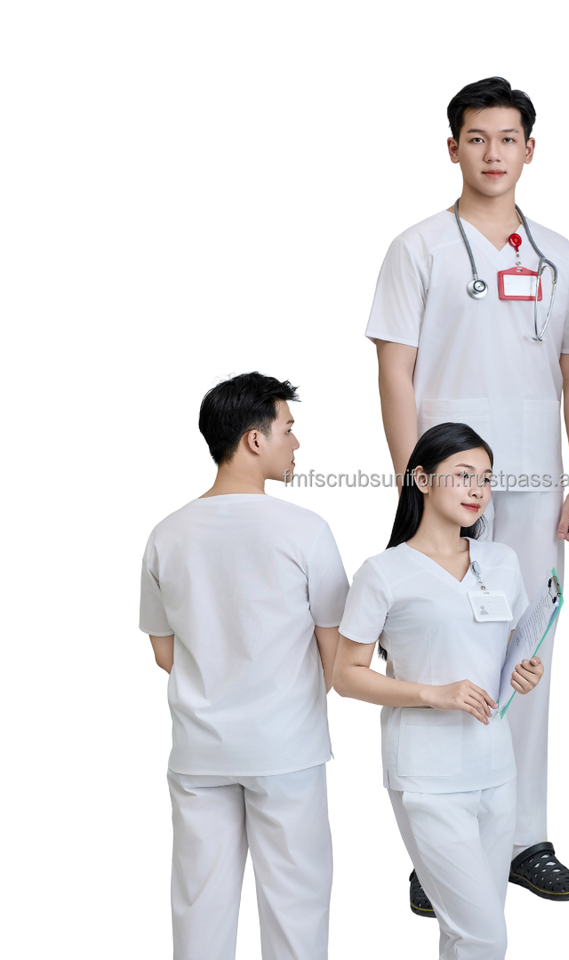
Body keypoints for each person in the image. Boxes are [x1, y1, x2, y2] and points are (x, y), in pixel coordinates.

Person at [366, 75, 569, 909]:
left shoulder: (559, 256)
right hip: (447, 483)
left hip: (534, 479)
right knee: (438, 651)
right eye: (476, 138)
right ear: (452, 147)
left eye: (507, 139)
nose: (492, 153)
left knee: (526, 652)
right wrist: (416, 484)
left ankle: (522, 837)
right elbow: (395, 372)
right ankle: (439, 848)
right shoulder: (419, 248)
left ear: (529, 150)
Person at [139, 372, 350, 959]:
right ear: (255, 440)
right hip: (286, 749)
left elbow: (163, 652)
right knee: (296, 911)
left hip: (199, 751)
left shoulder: (166, 534)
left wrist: (220, 676)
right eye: (288, 429)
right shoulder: (306, 531)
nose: (296, 443)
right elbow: (337, 658)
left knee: (199, 911)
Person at [334, 422, 545, 960]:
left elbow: (514, 647)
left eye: (486, 478)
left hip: (496, 768)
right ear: (422, 480)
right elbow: (346, 674)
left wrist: (527, 671)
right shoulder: (383, 573)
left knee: (466, 932)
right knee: (484, 936)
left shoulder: (501, 562)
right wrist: (435, 694)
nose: (478, 490)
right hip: (427, 776)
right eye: (463, 475)